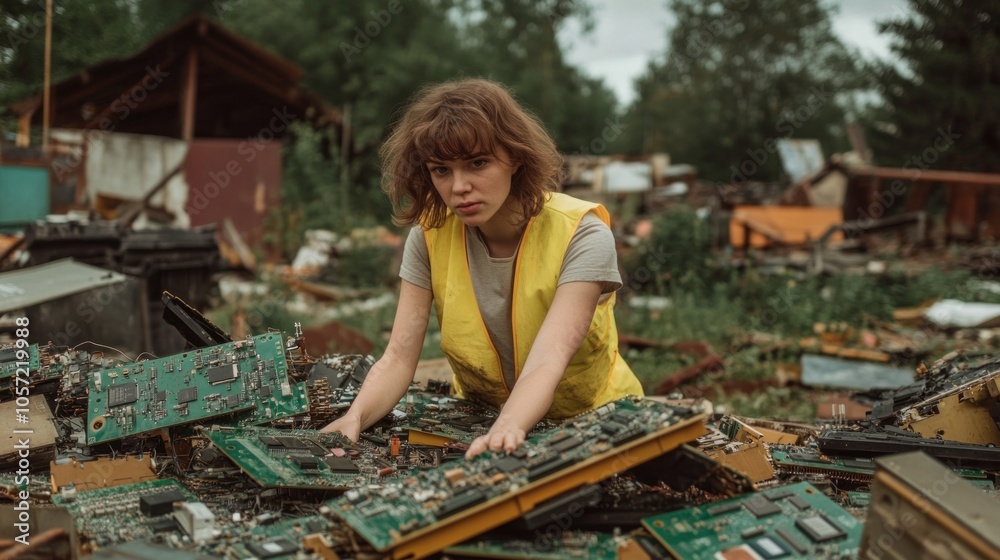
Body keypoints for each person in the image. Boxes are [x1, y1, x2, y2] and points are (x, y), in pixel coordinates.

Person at [321, 78, 643, 458]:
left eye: (478, 163)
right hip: (482, 421)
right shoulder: (429, 235)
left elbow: (549, 359)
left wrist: (507, 428)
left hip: (596, 422)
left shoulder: (582, 233)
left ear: (515, 157)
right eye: (441, 170)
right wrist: (355, 418)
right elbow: (398, 357)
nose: (459, 187)